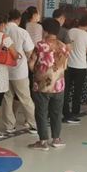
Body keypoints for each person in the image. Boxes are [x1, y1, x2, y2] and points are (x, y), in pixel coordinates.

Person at [28, 18, 69, 151]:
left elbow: (31, 63)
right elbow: (65, 66)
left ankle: (43, 141)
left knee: (41, 112)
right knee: (56, 112)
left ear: (45, 30)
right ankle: (56, 139)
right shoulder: (64, 46)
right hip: (59, 85)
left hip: (41, 85)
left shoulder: (40, 45)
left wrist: (37, 72)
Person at [0, 9, 37, 135]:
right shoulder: (22, 32)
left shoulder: (1, 31)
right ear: (18, 19)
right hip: (19, 71)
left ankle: (9, 126)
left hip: (3, 70)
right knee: (25, 98)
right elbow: (30, 52)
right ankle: (33, 124)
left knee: (7, 98)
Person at [63, 15, 87, 124]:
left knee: (66, 90)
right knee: (77, 90)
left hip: (68, 65)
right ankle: (75, 112)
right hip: (80, 66)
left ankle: (65, 111)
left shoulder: (70, 31)